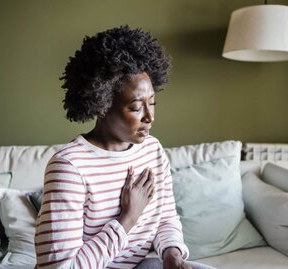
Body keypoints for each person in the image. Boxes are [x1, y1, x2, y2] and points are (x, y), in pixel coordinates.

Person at [35, 25, 215, 269]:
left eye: (152, 103)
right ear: (101, 105)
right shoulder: (69, 167)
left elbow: (165, 218)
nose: (150, 117)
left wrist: (172, 255)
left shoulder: (152, 150)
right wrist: (128, 217)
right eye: (136, 107)